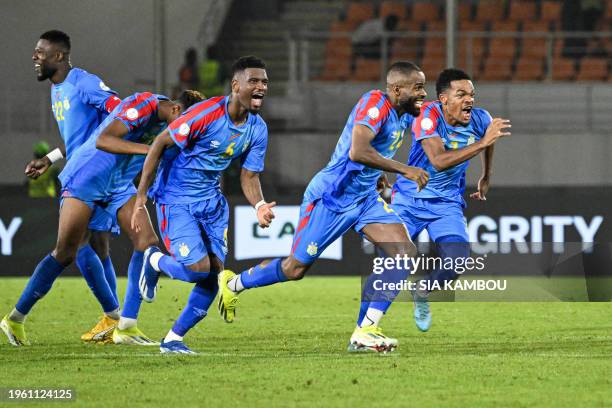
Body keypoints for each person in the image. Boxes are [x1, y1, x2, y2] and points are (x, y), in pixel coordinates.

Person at [215, 61, 429, 353]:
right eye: (417, 87)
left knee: (404, 253)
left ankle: (365, 331)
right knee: (294, 268)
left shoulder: (404, 115)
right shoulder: (375, 103)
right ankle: (234, 284)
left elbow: (373, 152)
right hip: (331, 197)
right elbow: (358, 150)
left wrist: (380, 176)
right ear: (396, 89)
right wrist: (405, 170)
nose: (423, 93)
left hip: (364, 198)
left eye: (424, 87)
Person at [0, 89, 204, 347]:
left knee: (147, 242)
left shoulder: (171, 128)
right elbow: (103, 139)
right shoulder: (143, 104)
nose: (183, 134)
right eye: (186, 125)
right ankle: (16, 318)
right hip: (86, 178)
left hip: (118, 185)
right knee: (65, 253)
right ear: (176, 110)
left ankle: (126, 327)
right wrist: (151, 150)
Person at [134, 56, 274, 354]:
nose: (261, 86)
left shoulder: (257, 129)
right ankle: (155, 261)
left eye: (264, 81)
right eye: (254, 81)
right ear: (236, 86)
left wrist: (259, 205)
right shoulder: (206, 113)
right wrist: (141, 197)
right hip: (176, 200)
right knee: (198, 269)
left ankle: (173, 339)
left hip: (211, 202)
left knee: (215, 273)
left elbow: (249, 176)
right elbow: (159, 144)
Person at [2, 30, 123, 346]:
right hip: (85, 176)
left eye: (40, 52)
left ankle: (116, 322)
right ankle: (115, 319)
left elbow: (122, 110)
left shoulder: (83, 83)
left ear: (58, 56)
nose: (34, 57)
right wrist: (50, 158)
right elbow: (77, 139)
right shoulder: (57, 90)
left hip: (98, 174)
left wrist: (106, 148)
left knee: (94, 245)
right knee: (78, 247)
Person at [391, 68, 511, 332]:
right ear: (444, 99)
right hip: (411, 197)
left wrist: (486, 176)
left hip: (446, 203)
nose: (470, 99)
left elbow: (488, 142)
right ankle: (367, 326)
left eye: (472, 94)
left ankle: (422, 290)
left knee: (458, 261)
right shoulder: (426, 115)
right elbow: (439, 160)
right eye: (461, 94)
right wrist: (482, 143)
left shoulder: (480, 119)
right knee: (394, 261)